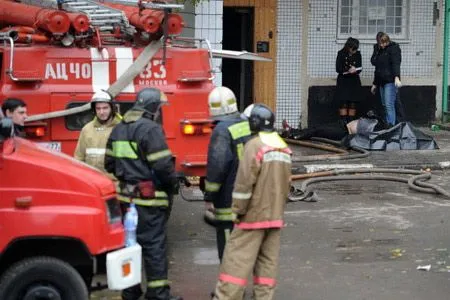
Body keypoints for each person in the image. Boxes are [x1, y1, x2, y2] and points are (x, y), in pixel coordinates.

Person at [105, 87, 182, 300]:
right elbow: (163, 166)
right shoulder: (150, 129)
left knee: (130, 244)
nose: (159, 112)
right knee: (154, 246)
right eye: (158, 108)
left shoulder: (119, 128)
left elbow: (109, 163)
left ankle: (130, 290)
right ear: (152, 107)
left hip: (124, 201)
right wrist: (173, 181)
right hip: (148, 200)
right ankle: (157, 293)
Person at [212, 104, 292, 300]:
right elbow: (286, 185)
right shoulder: (283, 147)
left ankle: (226, 297)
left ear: (254, 122)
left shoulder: (254, 146)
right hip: (275, 217)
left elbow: (244, 183)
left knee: (235, 262)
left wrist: (237, 211)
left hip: (252, 217)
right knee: (267, 264)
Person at [203, 86, 252, 262]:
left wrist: (209, 196)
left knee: (228, 244)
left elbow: (218, 165)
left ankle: (229, 287)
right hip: (248, 194)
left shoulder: (221, 130)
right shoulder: (246, 124)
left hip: (227, 198)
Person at [74, 90, 121, 177]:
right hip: (93, 181)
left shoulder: (122, 128)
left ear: (112, 108)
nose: (101, 112)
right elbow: (79, 158)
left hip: (114, 182)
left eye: (105, 108)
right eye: (98, 108)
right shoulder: (87, 129)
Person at [370, 32, 402, 126]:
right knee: (384, 104)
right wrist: (375, 84)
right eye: (381, 43)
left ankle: (391, 126)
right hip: (381, 81)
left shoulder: (394, 48)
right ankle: (388, 124)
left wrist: (397, 77)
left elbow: (396, 63)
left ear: (388, 41)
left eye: (385, 43)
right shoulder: (378, 49)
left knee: (389, 105)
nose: (383, 45)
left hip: (390, 80)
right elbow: (375, 64)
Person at [335, 37, 362, 123]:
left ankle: (351, 122)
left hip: (354, 81)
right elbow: (338, 68)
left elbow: (360, 67)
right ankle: (343, 123)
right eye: (353, 49)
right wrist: (347, 70)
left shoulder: (358, 54)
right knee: (343, 102)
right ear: (348, 47)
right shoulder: (341, 53)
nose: (354, 51)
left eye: (355, 49)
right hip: (343, 81)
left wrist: (355, 69)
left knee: (352, 103)